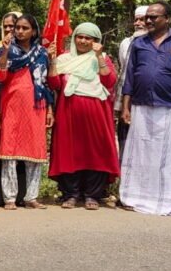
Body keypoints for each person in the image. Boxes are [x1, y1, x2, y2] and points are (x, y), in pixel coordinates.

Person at [119, 1, 171, 217]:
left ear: (167, 19)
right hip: (141, 107)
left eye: (154, 17)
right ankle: (134, 197)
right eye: (147, 17)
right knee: (140, 154)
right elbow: (129, 77)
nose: (149, 20)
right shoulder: (139, 43)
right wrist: (125, 107)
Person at [47, 23, 119, 210]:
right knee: (69, 151)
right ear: (74, 38)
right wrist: (53, 60)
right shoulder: (64, 59)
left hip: (97, 113)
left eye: (89, 38)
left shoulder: (101, 58)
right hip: (68, 111)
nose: (83, 41)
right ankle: (71, 194)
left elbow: (109, 81)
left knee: (95, 152)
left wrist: (99, 57)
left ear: (96, 41)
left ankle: (92, 195)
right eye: (80, 37)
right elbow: (54, 83)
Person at [0, 14, 52, 210]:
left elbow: (45, 84)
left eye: (24, 28)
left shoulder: (42, 53)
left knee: (35, 150)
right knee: (10, 150)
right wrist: (5, 52)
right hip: (12, 105)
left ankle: (31, 197)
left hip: (37, 106)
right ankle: (9, 198)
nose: (19, 31)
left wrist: (50, 109)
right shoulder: (7, 51)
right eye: (17, 27)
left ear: (34, 31)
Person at [114, 6, 148, 154]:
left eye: (142, 20)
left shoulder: (158, 43)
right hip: (126, 100)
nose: (138, 23)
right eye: (136, 20)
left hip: (147, 100)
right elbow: (124, 68)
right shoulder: (126, 43)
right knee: (125, 137)